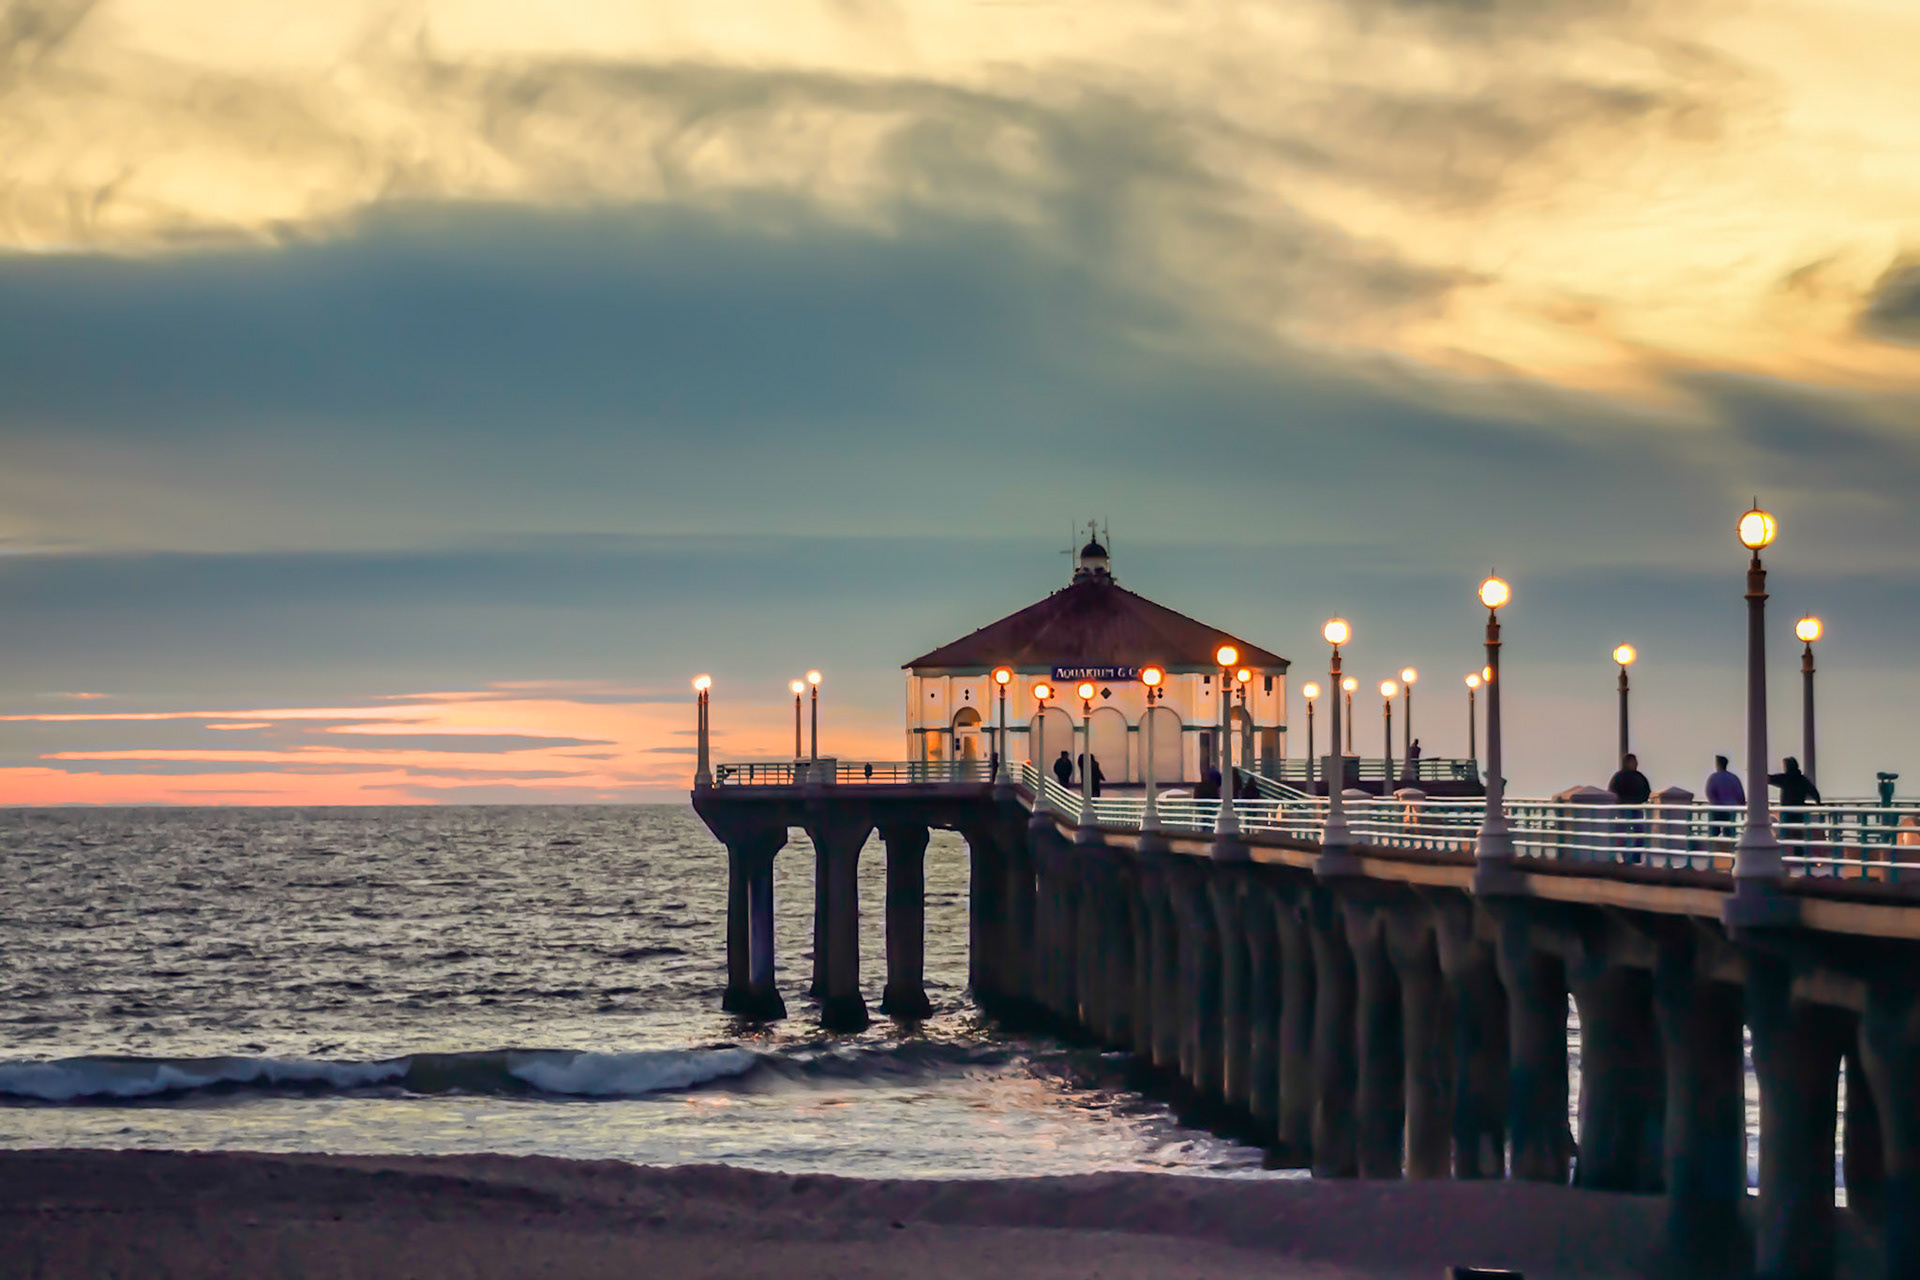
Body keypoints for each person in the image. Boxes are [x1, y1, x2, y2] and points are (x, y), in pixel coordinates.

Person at [1607, 753, 1652, 863]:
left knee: (1640, 832)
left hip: (1635, 808)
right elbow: (1613, 792)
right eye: (1633, 761)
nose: (1636, 764)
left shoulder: (1638, 777)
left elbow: (1647, 791)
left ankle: (1635, 856)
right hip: (1623, 809)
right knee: (1625, 833)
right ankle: (1627, 857)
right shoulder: (1620, 777)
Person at [1769, 757, 1821, 852]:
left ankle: (1783, 855)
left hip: (1787, 810)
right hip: (1799, 810)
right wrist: (1818, 803)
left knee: (1785, 833)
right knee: (1798, 834)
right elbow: (1813, 792)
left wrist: (1757, 772)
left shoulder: (1786, 778)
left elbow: (1770, 779)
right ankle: (1799, 853)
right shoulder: (1802, 779)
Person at [1704, 755, 1743, 843]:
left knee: (1714, 832)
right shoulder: (1733, 778)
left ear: (1718, 764)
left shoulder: (1714, 777)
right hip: (1731, 808)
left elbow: (1710, 792)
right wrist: (1741, 804)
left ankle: (1713, 849)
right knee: (1730, 832)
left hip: (1717, 809)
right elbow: (1740, 793)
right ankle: (1730, 850)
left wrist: (1715, 803)